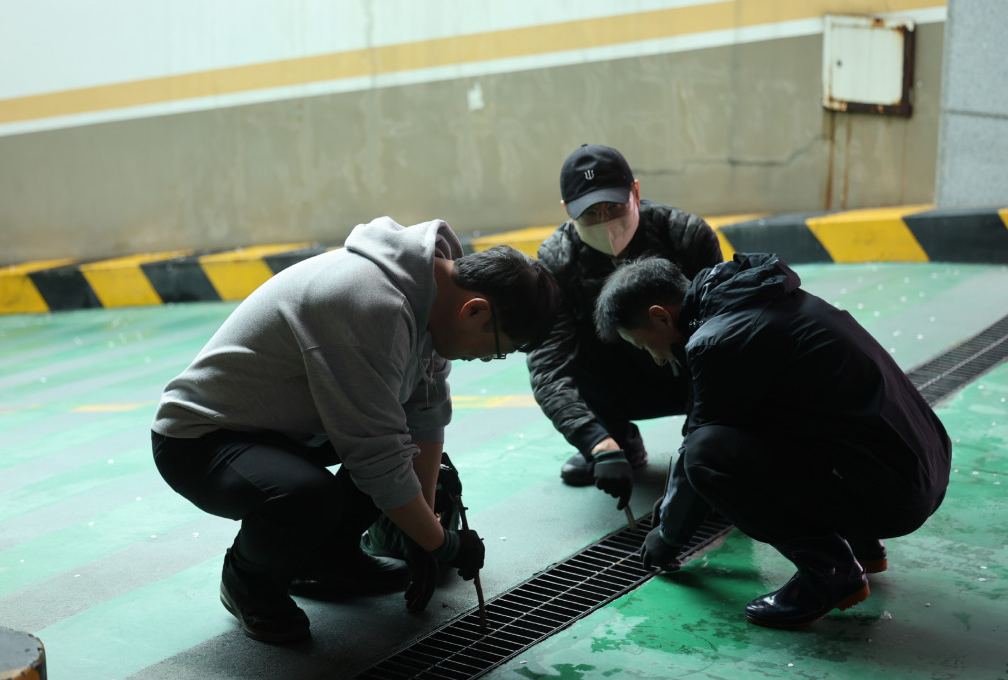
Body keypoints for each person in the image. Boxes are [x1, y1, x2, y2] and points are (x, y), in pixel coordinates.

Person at [151, 216, 560, 643]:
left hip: (285, 428)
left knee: (406, 459)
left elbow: (425, 416)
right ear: (475, 310)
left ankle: (324, 559)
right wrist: (441, 543)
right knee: (307, 496)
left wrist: (421, 532)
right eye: (497, 350)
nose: (486, 359)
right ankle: (247, 581)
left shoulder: (431, 299)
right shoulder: (371, 305)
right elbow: (377, 457)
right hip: (201, 440)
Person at [593, 254, 952, 628]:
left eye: (643, 345)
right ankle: (863, 543)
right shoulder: (762, 299)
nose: (655, 359)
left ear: (660, 317)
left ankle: (829, 572)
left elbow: (699, 447)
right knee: (761, 423)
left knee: (706, 456)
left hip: (892, 495)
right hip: (920, 469)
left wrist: (668, 535)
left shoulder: (719, 339)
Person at [527, 144, 723, 509]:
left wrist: (698, 445)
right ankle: (617, 441)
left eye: (614, 207)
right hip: (620, 383)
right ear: (567, 211)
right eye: (589, 213)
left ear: (635, 191)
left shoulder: (686, 236)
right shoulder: (556, 260)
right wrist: (595, 441)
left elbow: (720, 341)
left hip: (689, 372)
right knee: (573, 348)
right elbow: (548, 366)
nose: (605, 222)